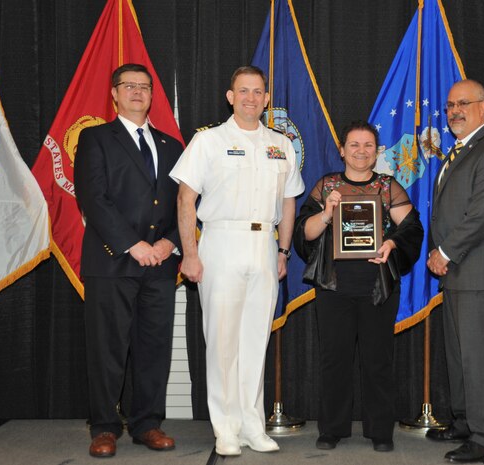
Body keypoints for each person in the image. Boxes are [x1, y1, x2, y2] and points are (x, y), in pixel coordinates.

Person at [171, 65, 304, 456]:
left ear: (266, 99)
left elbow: (289, 200)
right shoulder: (208, 141)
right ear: (230, 97)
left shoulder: (281, 144)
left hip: (264, 244)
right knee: (223, 341)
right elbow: (185, 199)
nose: (250, 98)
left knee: (254, 341)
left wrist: (283, 251)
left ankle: (252, 424)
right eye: (242, 91)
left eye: (257, 91)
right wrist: (190, 254)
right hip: (221, 242)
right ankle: (225, 428)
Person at [73, 63, 183, 458]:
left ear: (153, 95)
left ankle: (147, 424)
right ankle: (104, 427)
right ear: (114, 94)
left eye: (144, 87)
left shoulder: (173, 146)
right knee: (108, 349)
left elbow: (186, 203)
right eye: (129, 86)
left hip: (161, 265)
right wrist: (133, 244)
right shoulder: (96, 138)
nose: (137, 92)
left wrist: (171, 243)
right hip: (112, 262)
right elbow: (92, 198)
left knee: (154, 348)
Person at [293, 120, 423, 452]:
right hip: (334, 285)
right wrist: (326, 214)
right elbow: (302, 233)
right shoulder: (326, 187)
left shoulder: (387, 186)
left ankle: (381, 431)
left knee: (377, 359)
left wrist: (392, 245)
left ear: (377, 151)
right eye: (354, 145)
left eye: (368, 145)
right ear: (342, 150)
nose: (361, 151)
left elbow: (411, 228)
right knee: (333, 358)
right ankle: (332, 429)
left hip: (377, 285)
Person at [425, 79, 484, 463]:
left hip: (480, 273)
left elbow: (483, 213)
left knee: (481, 358)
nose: (453, 111)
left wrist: (445, 251)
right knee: (460, 356)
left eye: (462, 103)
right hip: (459, 274)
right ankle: (464, 422)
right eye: (449, 105)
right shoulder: (460, 150)